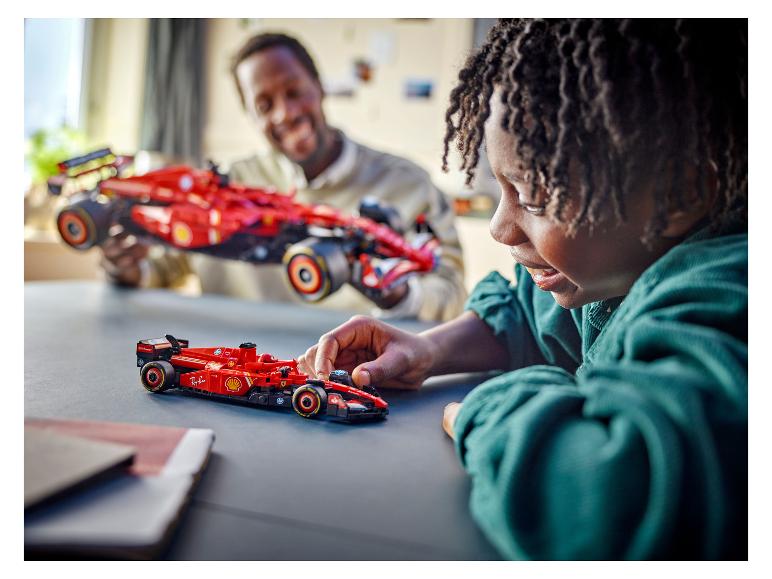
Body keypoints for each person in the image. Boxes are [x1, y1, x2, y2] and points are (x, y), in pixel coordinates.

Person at [296, 19, 747, 559]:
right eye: (501, 189)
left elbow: (607, 504)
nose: (500, 228)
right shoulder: (619, 267)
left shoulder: (729, 297)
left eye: (532, 199)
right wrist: (428, 349)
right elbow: (528, 309)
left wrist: (489, 412)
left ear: (682, 194)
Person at [100, 32, 467, 322]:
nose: (285, 114)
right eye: (264, 105)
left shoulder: (409, 185)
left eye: (294, 92)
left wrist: (398, 296)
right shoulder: (227, 185)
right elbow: (163, 267)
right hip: (238, 368)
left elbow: (451, 293)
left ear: (319, 87)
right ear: (251, 116)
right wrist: (128, 267)